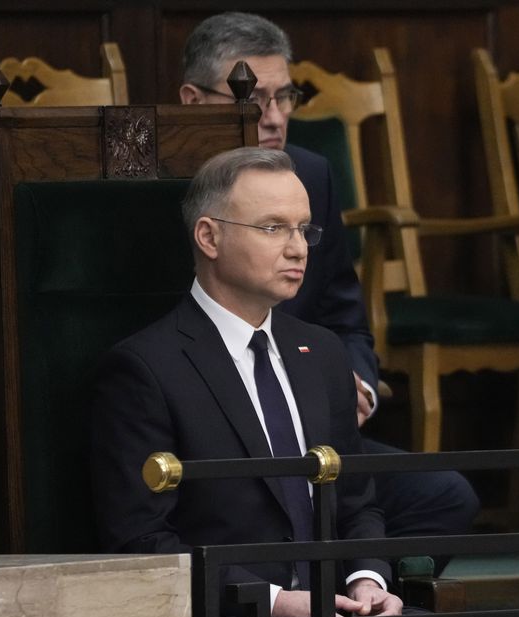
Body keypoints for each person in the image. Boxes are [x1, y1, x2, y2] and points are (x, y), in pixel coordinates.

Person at [178, 11, 478, 565]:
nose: (273, 116)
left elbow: (345, 316)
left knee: (445, 494)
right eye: (250, 96)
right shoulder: (161, 188)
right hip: (218, 443)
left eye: (285, 95)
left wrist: (358, 382)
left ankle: (363, 596)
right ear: (193, 101)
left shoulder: (309, 175)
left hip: (312, 431)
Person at [92, 147, 398, 617]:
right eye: (273, 228)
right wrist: (274, 603)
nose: (298, 248)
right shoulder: (144, 369)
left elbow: (357, 506)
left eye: (303, 229)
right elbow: (142, 541)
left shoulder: (323, 353)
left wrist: (368, 581)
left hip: (340, 614)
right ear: (209, 237)